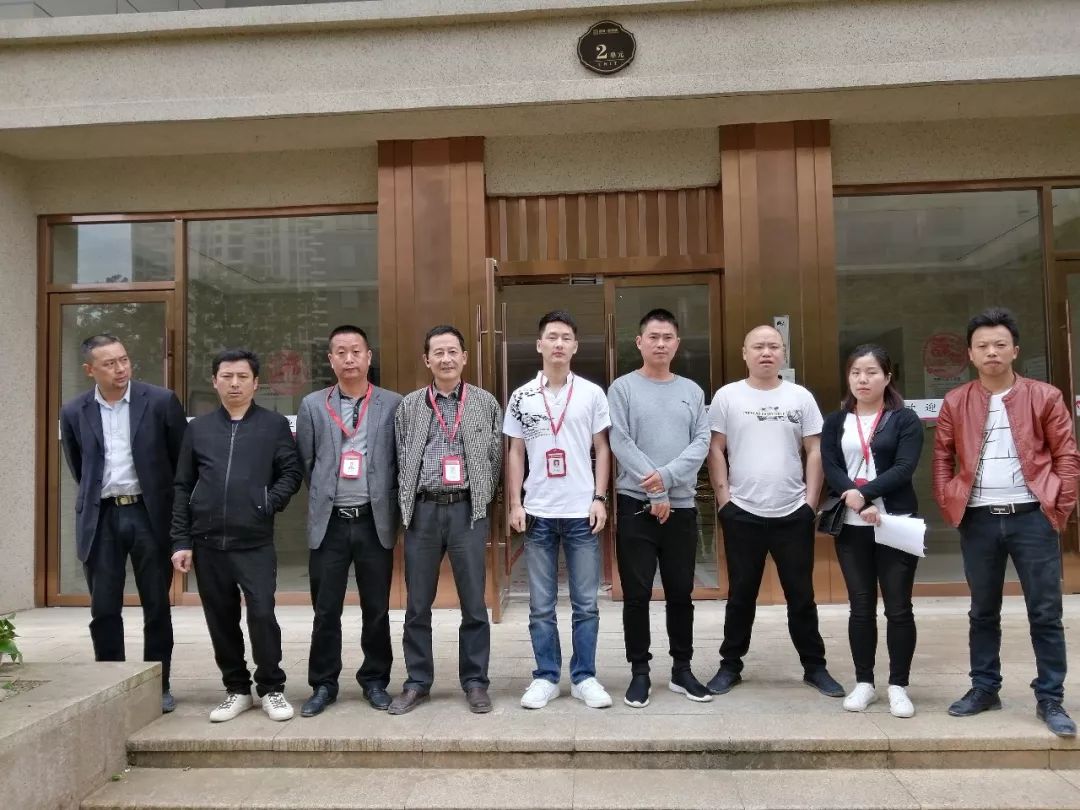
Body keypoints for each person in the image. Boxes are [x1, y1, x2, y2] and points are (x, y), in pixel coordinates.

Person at [933, 307, 1080, 738]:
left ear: (1015, 350)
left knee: (1046, 612)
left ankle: (1050, 698)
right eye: (982, 346)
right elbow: (942, 457)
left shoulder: (1045, 396)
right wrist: (948, 501)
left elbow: (1067, 456)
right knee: (982, 610)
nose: (991, 352)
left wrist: (1059, 507)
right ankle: (984, 688)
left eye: (1000, 344)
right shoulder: (956, 400)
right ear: (970, 354)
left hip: (1032, 517)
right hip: (978, 519)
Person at [707, 324, 843, 698]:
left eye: (773, 346)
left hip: (792, 512)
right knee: (740, 595)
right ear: (744, 353)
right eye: (758, 347)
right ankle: (730, 665)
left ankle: (815, 667)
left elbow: (814, 449)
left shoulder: (800, 397)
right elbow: (715, 448)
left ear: (783, 353)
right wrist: (724, 500)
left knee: (801, 595)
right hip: (742, 511)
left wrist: (810, 503)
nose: (766, 352)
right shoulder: (727, 397)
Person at [170, 349, 303, 723]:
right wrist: (181, 540)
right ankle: (237, 689)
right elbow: (182, 485)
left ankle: (272, 688)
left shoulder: (273, 425)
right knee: (220, 618)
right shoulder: (198, 429)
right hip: (207, 542)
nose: (234, 383)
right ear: (214, 381)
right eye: (226, 376)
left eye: (242, 377)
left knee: (262, 613)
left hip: (254, 541)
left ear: (255, 383)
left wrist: (267, 502)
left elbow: (291, 473)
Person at [59, 334, 187, 714]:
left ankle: (159, 685)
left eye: (124, 360)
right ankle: (111, 685)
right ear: (90, 370)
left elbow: (181, 463)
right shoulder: (74, 410)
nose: (120, 368)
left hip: (149, 514)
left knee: (156, 606)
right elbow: (80, 466)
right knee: (104, 609)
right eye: (109, 363)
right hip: (102, 517)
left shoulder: (160, 401)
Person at [388, 325, 503, 715]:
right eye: (438, 352)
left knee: (474, 603)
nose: (446, 359)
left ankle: (475, 682)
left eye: (453, 351)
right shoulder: (410, 406)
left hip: (466, 511)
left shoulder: (485, 403)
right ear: (427, 360)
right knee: (417, 604)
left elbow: (494, 458)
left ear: (464, 357)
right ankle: (417, 682)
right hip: (423, 511)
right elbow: (401, 457)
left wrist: (480, 499)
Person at [504, 310, 613, 710]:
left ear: (575, 346)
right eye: (552, 337)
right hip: (538, 512)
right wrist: (515, 503)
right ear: (539, 344)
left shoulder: (591, 393)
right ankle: (546, 677)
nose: (559, 344)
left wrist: (600, 498)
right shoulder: (522, 396)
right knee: (540, 606)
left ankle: (584, 677)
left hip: (582, 511)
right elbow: (515, 452)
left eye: (566, 337)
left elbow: (602, 448)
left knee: (586, 604)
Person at [607, 308, 713, 709]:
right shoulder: (622, 389)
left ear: (677, 343)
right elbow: (620, 441)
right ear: (639, 342)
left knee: (681, 592)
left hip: (681, 508)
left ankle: (682, 669)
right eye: (653, 337)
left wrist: (664, 480)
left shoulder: (692, 391)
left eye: (667, 337)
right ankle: (640, 672)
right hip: (636, 505)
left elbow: (701, 443)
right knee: (636, 595)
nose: (660, 344)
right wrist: (654, 491)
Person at [295, 325, 402, 717]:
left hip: (374, 521)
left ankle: (375, 680)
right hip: (331, 523)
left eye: (356, 351)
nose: (349, 358)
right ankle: (324, 684)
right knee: (326, 610)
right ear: (331, 360)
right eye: (340, 352)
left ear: (369, 357)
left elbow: (398, 460)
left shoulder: (392, 404)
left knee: (376, 609)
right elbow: (307, 461)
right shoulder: (312, 405)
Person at [821, 344, 923, 718]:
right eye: (855, 373)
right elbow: (831, 465)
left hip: (895, 523)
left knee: (898, 607)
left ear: (887, 377)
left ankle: (898, 686)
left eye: (871, 372)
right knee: (861, 606)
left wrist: (864, 495)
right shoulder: (836, 421)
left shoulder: (904, 419)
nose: (862, 379)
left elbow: (904, 467)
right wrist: (856, 500)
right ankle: (864, 682)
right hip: (852, 527)